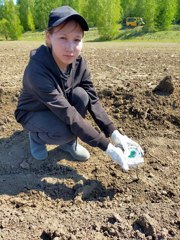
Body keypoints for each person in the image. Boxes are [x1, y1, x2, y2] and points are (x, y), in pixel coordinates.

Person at [15, 5, 143, 171]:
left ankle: (68, 143)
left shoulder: (79, 64)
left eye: (77, 40)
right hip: (33, 112)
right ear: (48, 37)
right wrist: (108, 148)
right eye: (63, 38)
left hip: (60, 110)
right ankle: (37, 138)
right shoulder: (37, 71)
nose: (70, 48)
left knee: (82, 96)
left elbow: (93, 99)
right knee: (64, 130)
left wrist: (114, 133)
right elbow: (69, 114)